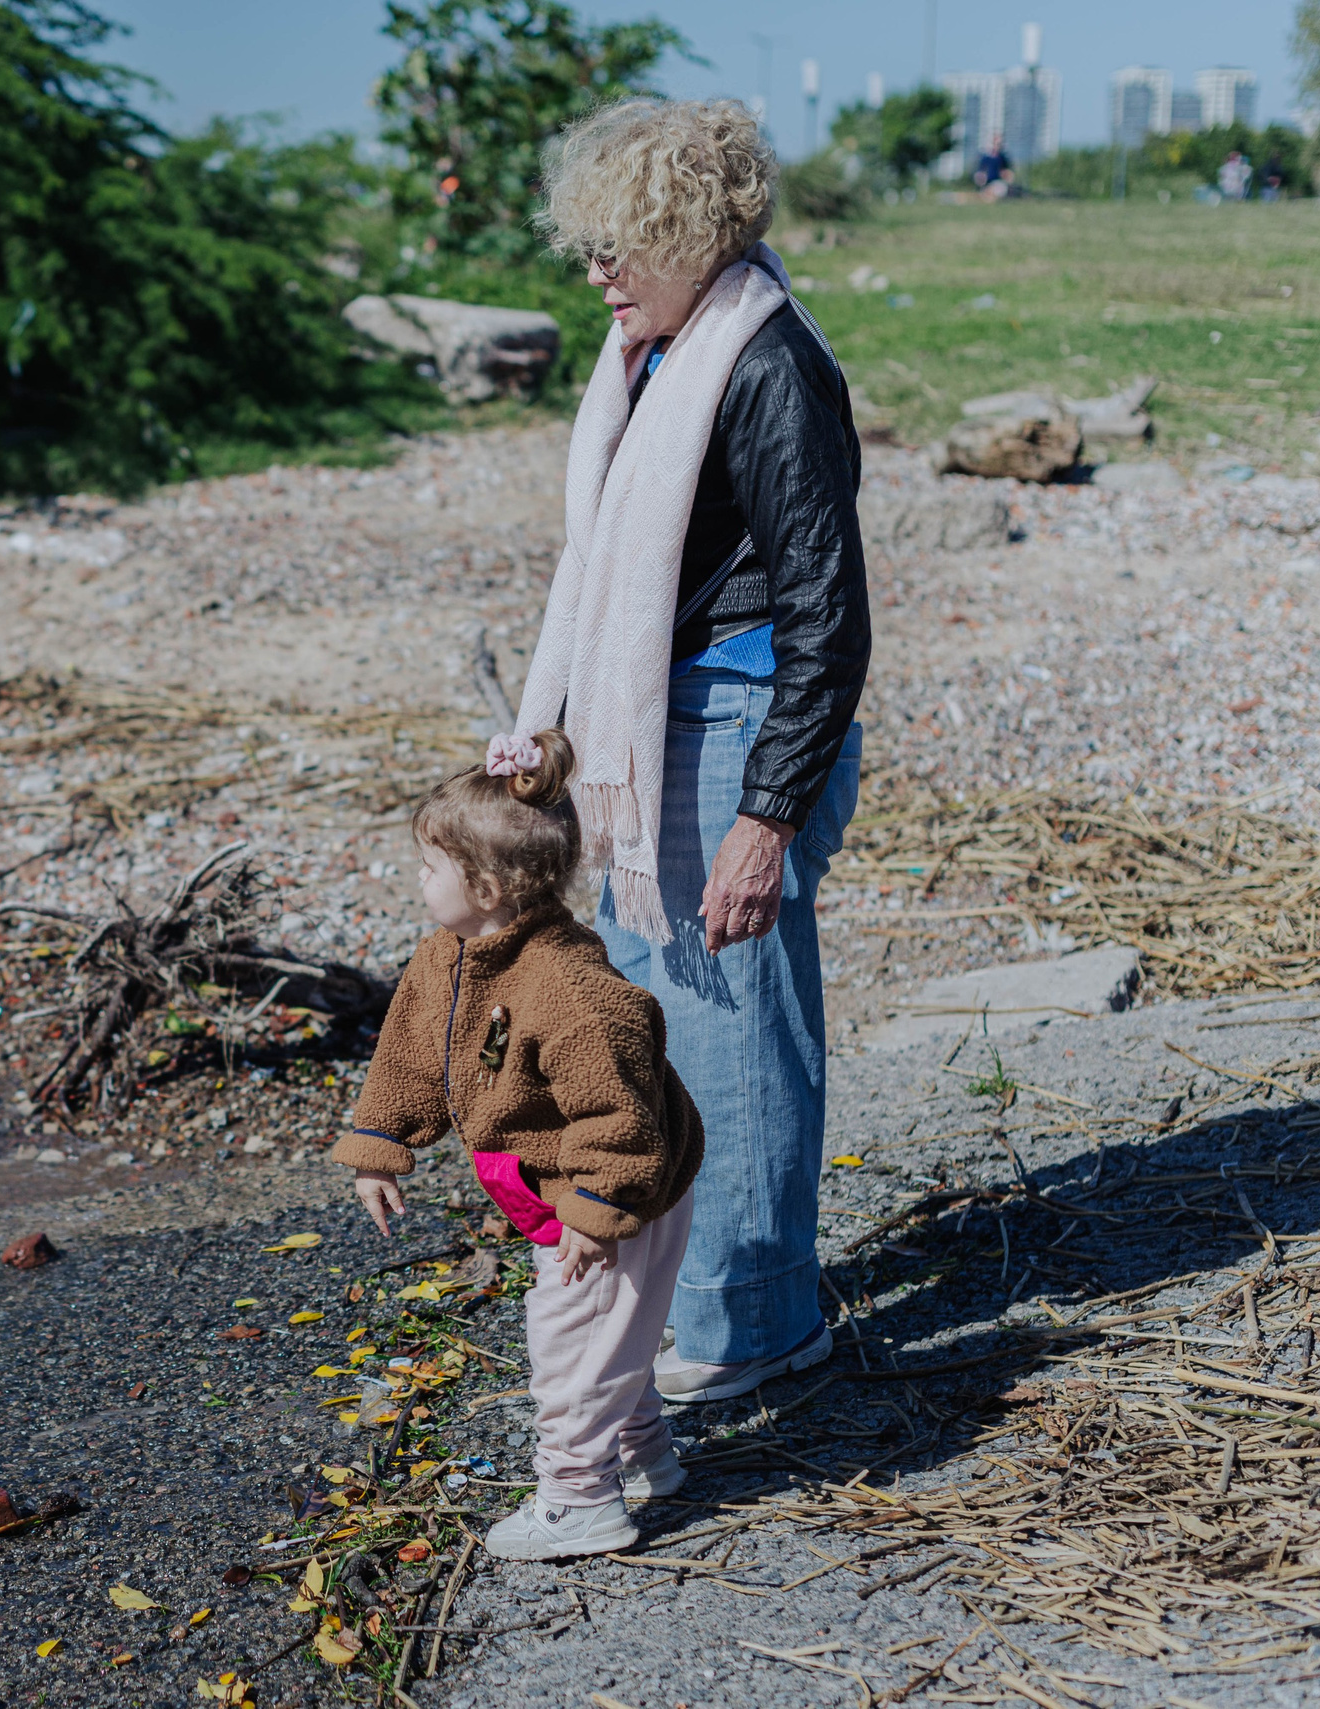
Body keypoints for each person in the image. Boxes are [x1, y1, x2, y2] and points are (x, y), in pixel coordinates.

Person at [520, 98, 869, 1406]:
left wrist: (765, 817)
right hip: (674, 724)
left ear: (691, 233)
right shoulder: (662, 355)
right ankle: (725, 1293)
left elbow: (830, 619)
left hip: (744, 726)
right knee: (671, 1027)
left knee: (734, 1034)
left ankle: (760, 1324)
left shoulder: (770, 368)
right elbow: (609, 569)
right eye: (590, 243)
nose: (596, 270)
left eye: (621, 243)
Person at [335, 728, 704, 1561]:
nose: (419, 881)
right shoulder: (449, 956)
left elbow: (622, 1107)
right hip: (553, 1185)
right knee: (609, 1331)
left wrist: (599, 1206)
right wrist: (380, 1144)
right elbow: (409, 1051)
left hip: (624, 1187)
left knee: (568, 1342)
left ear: (491, 885)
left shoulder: (569, 986)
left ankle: (580, 1499)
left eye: (431, 867)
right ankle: (645, 1455)